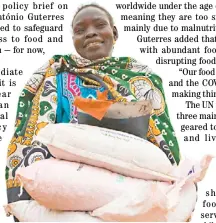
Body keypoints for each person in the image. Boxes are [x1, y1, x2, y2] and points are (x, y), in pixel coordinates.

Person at [6, 3, 180, 221]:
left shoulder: (143, 81)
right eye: (80, 30)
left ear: (114, 33)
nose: (90, 33)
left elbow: (164, 143)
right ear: (74, 39)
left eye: (99, 25)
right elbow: (36, 138)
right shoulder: (56, 79)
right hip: (68, 190)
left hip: (132, 190)